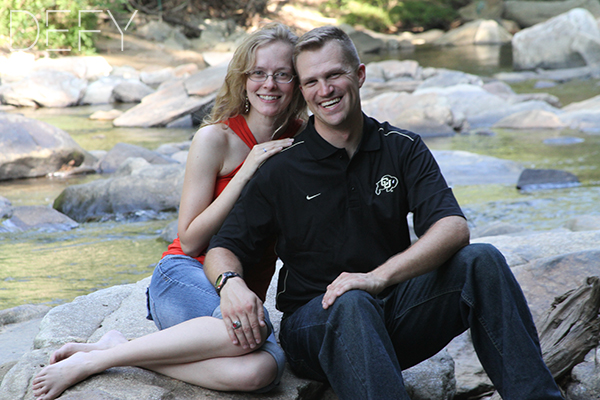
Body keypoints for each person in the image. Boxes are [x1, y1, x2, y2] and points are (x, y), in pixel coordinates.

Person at [204, 26, 565, 399]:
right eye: (311, 81)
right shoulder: (281, 167)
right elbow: (222, 248)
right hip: (314, 326)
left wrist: (378, 277)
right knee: (351, 302)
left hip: (394, 309)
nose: (324, 90)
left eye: (334, 75)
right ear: (302, 90)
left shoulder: (402, 148)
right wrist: (230, 284)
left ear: (359, 75)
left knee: (482, 260)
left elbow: (453, 227)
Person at [31, 22, 306, 400]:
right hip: (185, 274)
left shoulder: (303, 139)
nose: (269, 84)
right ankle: (91, 363)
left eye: (282, 74)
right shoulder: (215, 139)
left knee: (261, 370)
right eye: (258, 73)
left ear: (298, 81)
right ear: (242, 79)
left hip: (243, 291)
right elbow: (191, 238)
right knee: (248, 339)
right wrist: (247, 171)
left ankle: (114, 349)